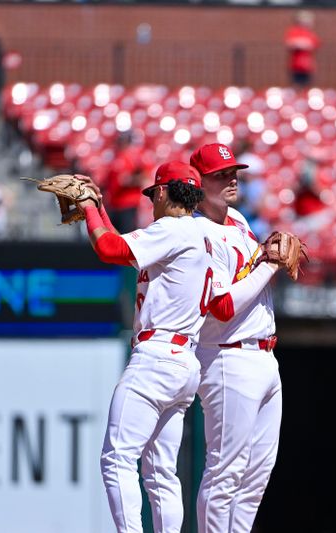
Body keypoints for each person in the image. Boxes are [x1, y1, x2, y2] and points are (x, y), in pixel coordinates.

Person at [77, 161, 212, 533]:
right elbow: (123, 244)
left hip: (156, 358)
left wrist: (89, 207)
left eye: (154, 193)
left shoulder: (170, 229)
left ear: (165, 192)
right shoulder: (201, 233)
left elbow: (108, 247)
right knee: (160, 473)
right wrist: (99, 206)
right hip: (184, 361)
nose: (153, 201)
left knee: (117, 458)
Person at [189, 143, 284, 533]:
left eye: (233, 171)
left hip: (264, 356)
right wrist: (269, 266)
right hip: (228, 357)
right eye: (219, 174)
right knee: (224, 473)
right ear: (198, 183)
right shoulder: (198, 232)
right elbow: (222, 305)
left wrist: (265, 256)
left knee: (255, 478)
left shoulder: (240, 221)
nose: (231, 178)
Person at [284, 10, 321, 88]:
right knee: (296, 86)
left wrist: (301, 43)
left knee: (307, 87)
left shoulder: (310, 33)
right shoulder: (294, 31)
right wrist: (302, 43)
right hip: (296, 65)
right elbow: (290, 44)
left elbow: (313, 45)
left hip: (308, 66)